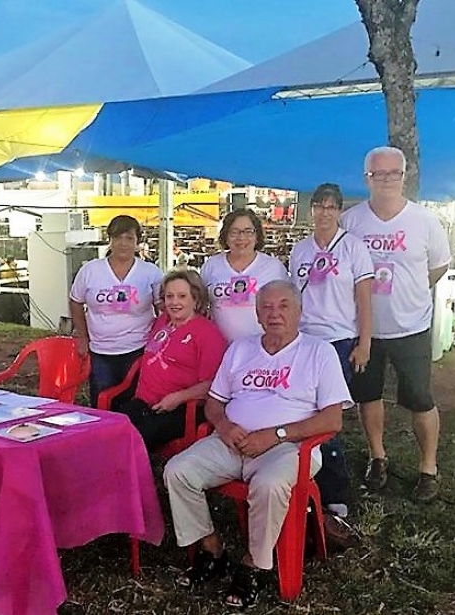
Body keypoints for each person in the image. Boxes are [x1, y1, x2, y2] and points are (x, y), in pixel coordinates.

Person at [164, 281, 351, 609]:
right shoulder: (241, 349)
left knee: (268, 484)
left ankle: (254, 564)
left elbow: (332, 420)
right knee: (178, 471)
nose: (274, 313)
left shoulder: (319, 352)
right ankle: (212, 548)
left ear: (299, 311)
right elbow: (215, 402)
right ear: (257, 314)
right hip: (232, 440)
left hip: (287, 447)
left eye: (283, 306)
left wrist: (276, 434)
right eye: (266, 307)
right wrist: (224, 426)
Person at [338, 146, 452, 503]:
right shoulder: (351, 222)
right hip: (365, 329)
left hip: (411, 326)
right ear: (366, 178)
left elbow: (438, 267)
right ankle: (377, 457)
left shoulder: (425, 221)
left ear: (404, 176)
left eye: (393, 173)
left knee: (419, 399)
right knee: (368, 395)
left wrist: (409, 291)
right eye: (378, 174)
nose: (386, 179)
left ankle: (428, 468)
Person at [288, 182, 373, 539]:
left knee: (328, 418)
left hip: (339, 341)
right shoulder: (299, 251)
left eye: (330, 207)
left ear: (339, 211)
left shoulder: (354, 248)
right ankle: (307, 480)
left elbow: (364, 299)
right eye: (318, 206)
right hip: (306, 340)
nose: (324, 212)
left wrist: (364, 342)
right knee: (305, 413)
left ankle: (336, 495)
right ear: (311, 211)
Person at [115, 270, 227, 450]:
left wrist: (177, 398)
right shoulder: (162, 321)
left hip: (180, 408)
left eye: (182, 296)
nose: (174, 302)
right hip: (144, 402)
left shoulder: (208, 333)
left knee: (133, 441)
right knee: (111, 430)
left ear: (196, 299)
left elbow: (211, 384)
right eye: (169, 296)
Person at [69, 215, 163, 407]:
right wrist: (83, 337)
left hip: (139, 348)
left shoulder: (151, 272)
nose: (123, 243)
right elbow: (76, 301)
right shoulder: (90, 270)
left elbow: (162, 307)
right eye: (118, 237)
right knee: (102, 402)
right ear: (110, 239)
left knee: (135, 403)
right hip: (101, 350)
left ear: (138, 242)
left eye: (129, 238)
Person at [200, 209, 288, 344]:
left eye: (248, 231)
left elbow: (287, 307)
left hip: (262, 347)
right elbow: (201, 305)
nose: (241, 238)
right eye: (234, 232)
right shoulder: (211, 265)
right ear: (226, 236)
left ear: (257, 236)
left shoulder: (274, 267)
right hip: (219, 347)